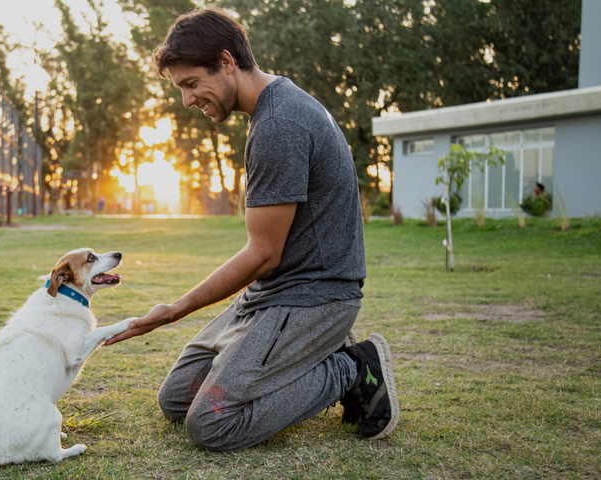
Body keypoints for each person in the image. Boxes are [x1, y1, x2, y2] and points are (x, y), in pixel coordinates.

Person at [106, 8, 399, 451]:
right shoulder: (272, 109)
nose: (187, 101)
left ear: (227, 62)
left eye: (190, 84)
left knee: (211, 424)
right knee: (177, 401)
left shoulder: (279, 125)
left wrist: (174, 310)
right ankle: (307, 354)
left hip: (315, 296)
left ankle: (351, 368)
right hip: (272, 297)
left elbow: (264, 254)